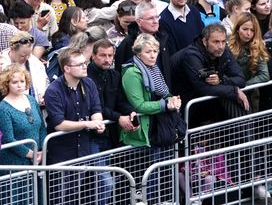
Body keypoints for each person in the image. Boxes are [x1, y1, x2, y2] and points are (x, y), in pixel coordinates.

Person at [120, 34, 182, 203]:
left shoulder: (154, 68)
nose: (153, 55)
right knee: (146, 180)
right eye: (148, 52)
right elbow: (139, 105)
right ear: (138, 53)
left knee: (160, 176)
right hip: (143, 133)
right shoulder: (132, 72)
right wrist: (165, 105)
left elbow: (164, 93)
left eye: (155, 51)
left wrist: (173, 100)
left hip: (159, 128)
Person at [173, 23, 249, 126]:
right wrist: (234, 90)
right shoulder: (191, 55)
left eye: (223, 42)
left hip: (202, 104)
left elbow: (241, 79)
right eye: (216, 42)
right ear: (205, 41)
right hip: (181, 104)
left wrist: (221, 80)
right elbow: (203, 88)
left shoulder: (223, 50)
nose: (221, 46)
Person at [43, 48, 105, 165]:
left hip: (84, 148)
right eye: (80, 64)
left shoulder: (89, 83)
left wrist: (98, 123)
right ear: (67, 68)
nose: (85, 67)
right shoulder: (53, 91)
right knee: (61, 183)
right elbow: (59, 124)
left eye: (85, 63)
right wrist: (87, 124)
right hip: (61, 153)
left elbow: (96, 110)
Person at [0, 66, 46, 167]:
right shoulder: (3, 108)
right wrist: (31, 154)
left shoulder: (32, 100)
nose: (19, 85)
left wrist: (42, 150)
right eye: (14, 82)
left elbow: (42, 127)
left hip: (36, 159)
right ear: (6, 84)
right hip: (13, 163)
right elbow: (7, 138)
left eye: (22, 81)